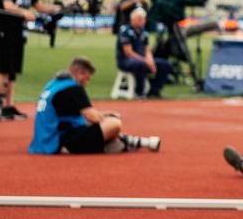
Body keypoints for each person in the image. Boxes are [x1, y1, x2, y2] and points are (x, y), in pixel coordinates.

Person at [27, 57, 159, 154]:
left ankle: (123, 143)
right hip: (60, 140)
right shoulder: (73, 88)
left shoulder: (53, 84)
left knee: (110, 137)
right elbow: (94, 118)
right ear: (79, 73)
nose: (87, 82)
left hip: (45, 138)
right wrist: (107, 119)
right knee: (114, 124)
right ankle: (127, 142)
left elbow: (75, 114)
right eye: (87, 78)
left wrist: (102, 114)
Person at [0, 0, 59, 120]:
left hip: (18, 34)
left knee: (13, 71)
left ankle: (10, 105)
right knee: (4, 70)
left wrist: (57, 8)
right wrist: (24, 13)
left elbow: (39, 6)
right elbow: (8, 6)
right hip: (4, 33)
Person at [117, 5, 163, 97]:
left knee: (164, 65)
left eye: (143, 19)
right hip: (126, 60)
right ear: (132, 19)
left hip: (142, 59)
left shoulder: (144, 32)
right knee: (140, 64)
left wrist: (150, 61)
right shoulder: (125, 31)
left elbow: (147, 49)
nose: (142, 21)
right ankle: (139, 92)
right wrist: (145, 60)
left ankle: (154, 91)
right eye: (140, 19)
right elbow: (128, 52)